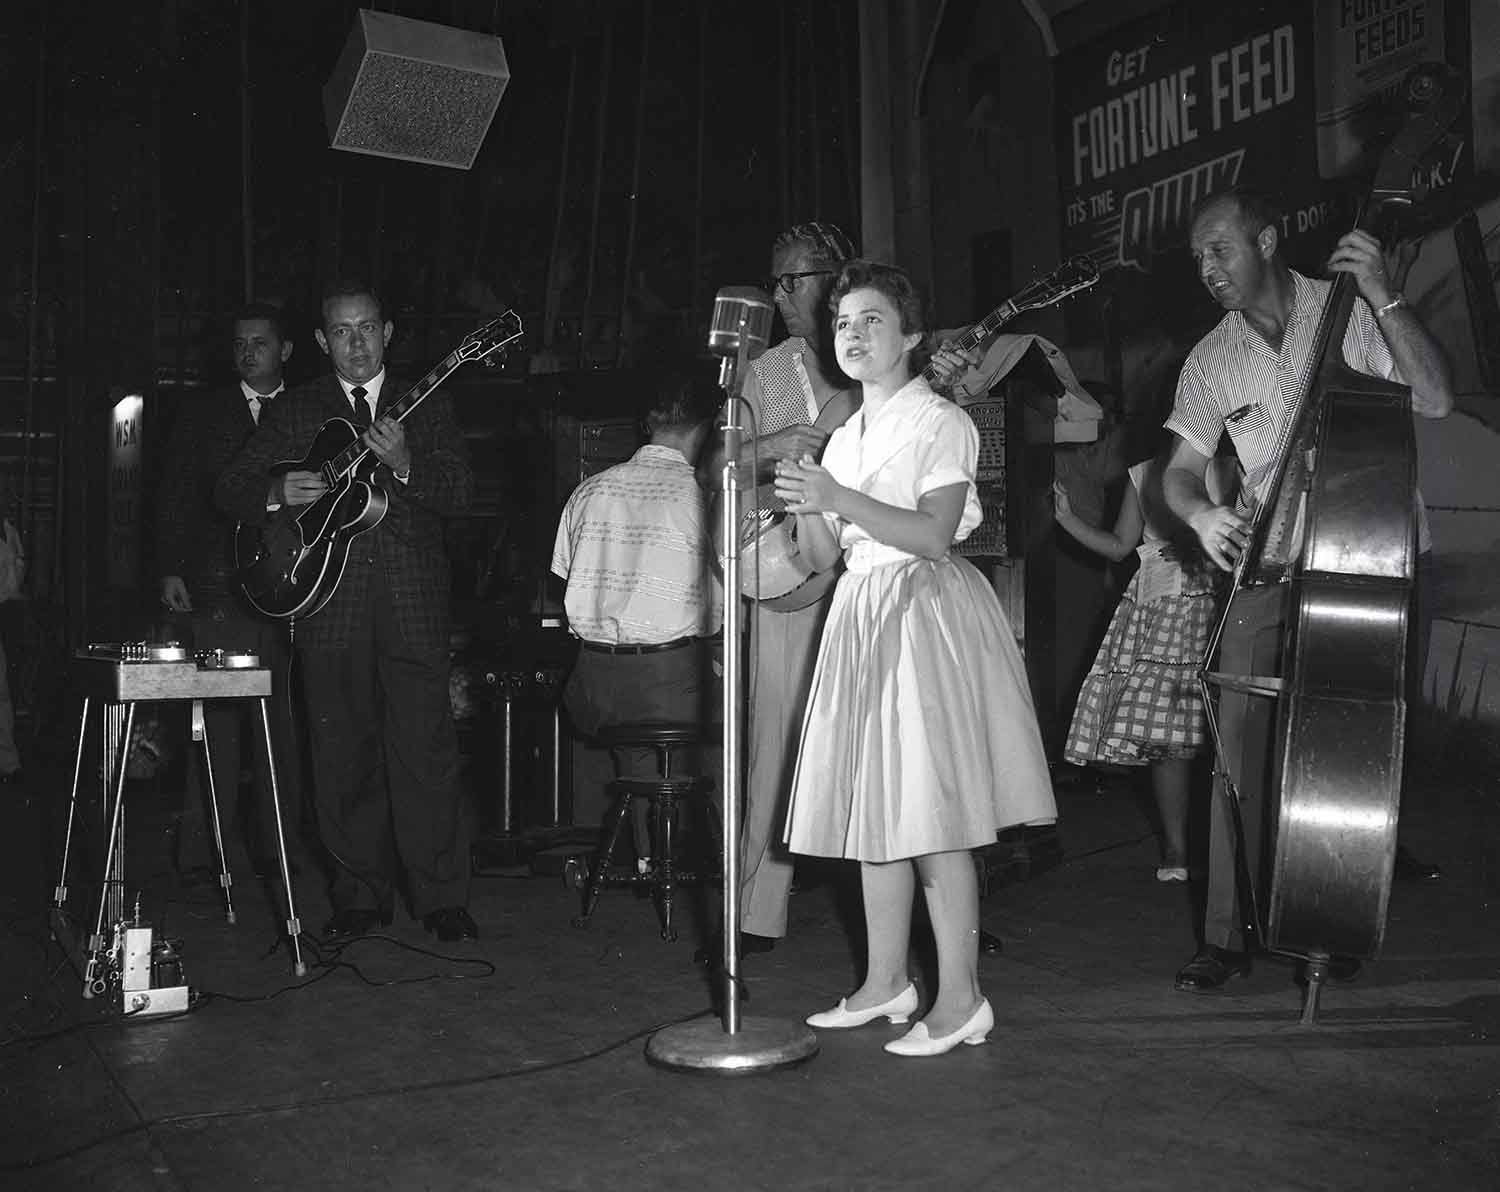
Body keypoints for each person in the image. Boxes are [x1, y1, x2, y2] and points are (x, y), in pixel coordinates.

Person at [1160, 189, 1453, 993]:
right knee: (1237, 744)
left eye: (1221, 249)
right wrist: (1201, 514)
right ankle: (1223, 936)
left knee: (1348, 752)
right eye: (1197, 259)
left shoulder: (1352, 307)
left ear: (1267, 235)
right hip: (1272, 562)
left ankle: (1331, 920)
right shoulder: (1210, 359)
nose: (1209, 269)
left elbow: (1433, 397)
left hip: (1374, 557)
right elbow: (1177, 473)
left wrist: (1387, 293)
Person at [774, 261, 1056, 1057]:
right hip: (860, 610)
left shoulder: (940, 421)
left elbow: (932, 533)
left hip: (922, 609)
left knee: (934, 810)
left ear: (911, 336)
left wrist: (836, 498)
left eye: (870, 320)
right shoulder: (845, 435)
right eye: (841, 323)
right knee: (876, 806)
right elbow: (828, 554)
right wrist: (806, 506)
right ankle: (886, 982)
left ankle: (961, 997)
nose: (853, 334)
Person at [215, 282, 478, 943]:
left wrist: (409, 461)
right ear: (320, 341)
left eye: (366, 328)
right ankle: (358, 897)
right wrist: (276, 488)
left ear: (388, 332)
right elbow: (229, 487)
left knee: (426, 753)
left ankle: (441, 897)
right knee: (340, 755)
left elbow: (462, 494)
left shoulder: (430, 401)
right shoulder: (299, 408)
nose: (355, 342)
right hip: (326, 601)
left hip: (413, 603)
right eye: (340, 331)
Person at [697, 221, 858, 957]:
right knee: (771, 746)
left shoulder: (877, 351)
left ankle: (927, 911)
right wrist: (775, 447)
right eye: (777, 281)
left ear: (837, 277)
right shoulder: (765, 372)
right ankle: (755, 911)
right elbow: (722, 462)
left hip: (877, 573)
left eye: (797, 279)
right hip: (791, 578)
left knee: (891, 745)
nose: (782, 296)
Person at [156, 302, 307, 879]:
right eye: (240, 344)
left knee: (283, 727)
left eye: (261, 343)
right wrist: (170, 567)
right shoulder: (203, 413)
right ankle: (206, 855)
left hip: (296, 587)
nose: (248, 352)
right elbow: (174, 493)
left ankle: (282, 854)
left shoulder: (312, 409)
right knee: (214, 724)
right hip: (219, 588)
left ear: (286, 350)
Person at [551, 368, 723, 859]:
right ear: (705, 429)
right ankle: (721, 860)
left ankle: (651, 856)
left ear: (647, 425)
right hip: (670, 691)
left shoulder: (590, 491)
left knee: (641, 724)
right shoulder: (704, 497)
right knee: (751, 701)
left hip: (595, 689)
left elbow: (567, 580)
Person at [1055, 438, 1237, 881]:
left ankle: (1226, 853)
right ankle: (1176, 851)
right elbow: (1119, 546)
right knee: (1167, 736)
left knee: (1227, 732)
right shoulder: (1142, 472)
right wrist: (1065, 518)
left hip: (1221, 601)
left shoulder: (1234, 465)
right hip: (1161, 607)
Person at [0, 505, 23, 784]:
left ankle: (7, 762)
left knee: (2, 693)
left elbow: (16, 577)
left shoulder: (10, 531)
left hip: (6, 615)